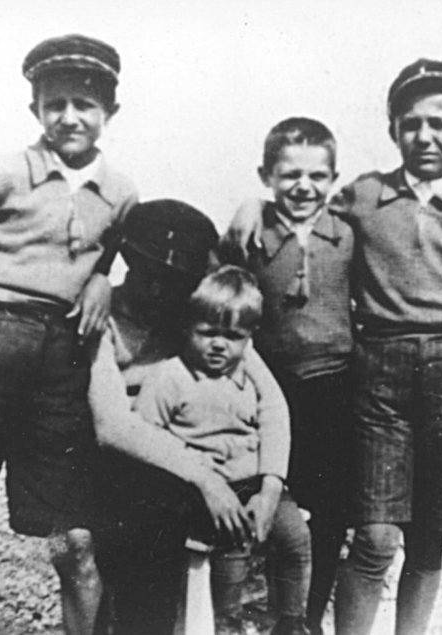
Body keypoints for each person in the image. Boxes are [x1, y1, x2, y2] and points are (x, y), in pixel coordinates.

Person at [226, 58, 442, 635]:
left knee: (429, 537)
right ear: (394, 129)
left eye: (441, 123)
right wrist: (251, 206)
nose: (425, 136)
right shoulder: (365, 196)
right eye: (411, 123)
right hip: (379, 374)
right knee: (373, 535)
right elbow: (301, 214)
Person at [0, 34, 137, 635]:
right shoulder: (4, 173)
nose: (69, 117)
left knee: (74, 539)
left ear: (109, 113)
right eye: (55, 103)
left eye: (85, 104)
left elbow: (108, 264)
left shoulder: (120, 194)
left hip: (60, 367)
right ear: (35, 109)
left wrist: (102, 284)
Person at [87, 200, 292, 635]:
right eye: (148, 276)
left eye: (172, 281)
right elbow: (113, 426)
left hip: (200, 456)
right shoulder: (104, 316)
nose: (159, 293)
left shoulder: (200, 319)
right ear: (128, 266)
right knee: (152, 526)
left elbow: (270, 400)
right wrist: (205, 478)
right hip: (132, 457)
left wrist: (271, 484)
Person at [221, 117, 355, 635]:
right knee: (273, 499)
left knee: (329, 511)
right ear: (266, 176)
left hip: (334, 386)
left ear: (334, 178)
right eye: (290, 174)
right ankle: (248, 607)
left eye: (318, 176)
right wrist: (246, 209)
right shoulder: (251, 232)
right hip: (271, 387)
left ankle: (306, 618)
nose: (304, 186)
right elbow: (216, 281)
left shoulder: (346, 231)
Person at [134, 265, 312, 635]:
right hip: (208, 490)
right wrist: (193, 469)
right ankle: (227, 622)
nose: (219, 345)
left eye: (232, 336)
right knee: (234, 550)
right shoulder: (169, 377)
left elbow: (274, 418)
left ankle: (292, 620)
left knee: (296, 539)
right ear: (188, 328)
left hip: (256, 480)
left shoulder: (247, 372)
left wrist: (271, 483)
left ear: (249, 339)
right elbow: (146, 435)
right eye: (208, 333)